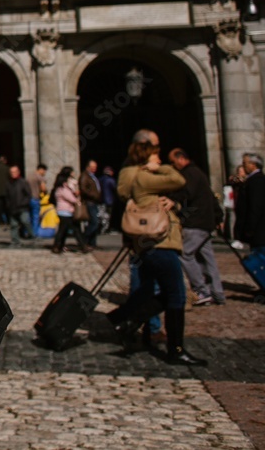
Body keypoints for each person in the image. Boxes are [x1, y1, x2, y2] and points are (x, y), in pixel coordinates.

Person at [108, 142, 207, 366]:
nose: (160, 160)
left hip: (155, 244)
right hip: (159, 243)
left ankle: (126, 321)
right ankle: (175, 349)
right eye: (156, 155)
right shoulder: (144, 177)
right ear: (146, 158)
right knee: (176, 296)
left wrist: (172, 202)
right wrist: (158, 169)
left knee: (158, 291)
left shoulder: (141, 178)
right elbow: (178, 180)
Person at [168, 148, 225, 305]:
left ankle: (202, 290)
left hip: (196, 222)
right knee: (207, 258)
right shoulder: (198, 173)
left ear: (181, 159)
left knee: (185, 254)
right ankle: (217, 292)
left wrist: (172, 200)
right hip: (205, 222)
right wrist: (218, 217)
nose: (172, 166)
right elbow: (211, 197)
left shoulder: (190, 174)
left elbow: (186, 193)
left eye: (173, 162)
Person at [234, 153, 265, 261]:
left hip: (259, 229)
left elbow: (256, 206)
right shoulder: (253, 180)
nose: (243, 166)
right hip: (258, 229)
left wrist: (250, 228)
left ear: (253, 165)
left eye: (245, 163)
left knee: (263, 261)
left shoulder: (257, 181)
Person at [50, 166, 89, 254]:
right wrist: (77, 199)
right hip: (64, 211)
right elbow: (70, 198)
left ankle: (59, 246)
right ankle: (58, 246)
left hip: (68, 211)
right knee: (66, 230)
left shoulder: (65, 185)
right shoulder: (63, 187)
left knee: (68, 230)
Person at [5, 165, 33, 244]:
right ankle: (15, 241)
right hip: (12, 208)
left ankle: (32, 235)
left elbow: (28, 195)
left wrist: (23, 203)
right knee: (14, 225)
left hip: (22, 207)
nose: (13, 173)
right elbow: (7, 196)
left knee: (25, 221)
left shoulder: (23, 182)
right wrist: (8, 205)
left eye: (14, 172)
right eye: (11, 172)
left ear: (18, 172)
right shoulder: (8, 183)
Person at [79, 160, 103, 246]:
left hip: (94, 202)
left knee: (95, 222)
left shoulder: (92, 176)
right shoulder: (85, 176)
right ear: (88, 167)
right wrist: (93, 195)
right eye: (93, 167)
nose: (94, 169)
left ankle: (92, 242)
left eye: (95, 168)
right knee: (94, 222)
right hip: (90, 202)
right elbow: (83, 188)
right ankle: (84, 239)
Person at [100, 166, 117, 233]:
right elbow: (115, 189)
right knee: (108, 215)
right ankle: (106, 228)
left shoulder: (99, 179)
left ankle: (102, 227)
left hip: (101, 200)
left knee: (102, 215)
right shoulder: (111, 180)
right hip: (109, 200)